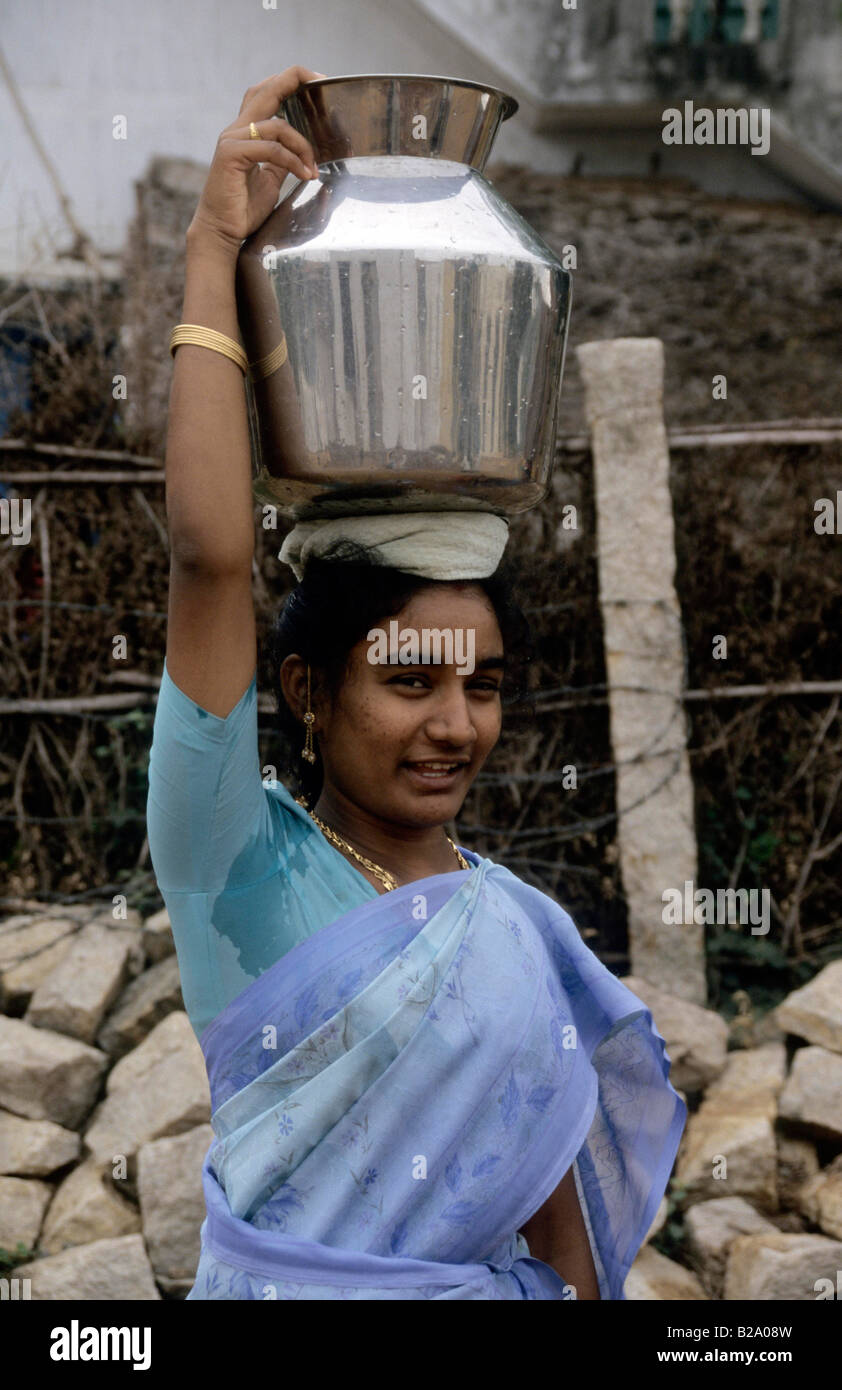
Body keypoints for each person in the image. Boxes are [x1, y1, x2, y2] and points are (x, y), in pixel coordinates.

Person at [146, 66, 686, 1301]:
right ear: (305, 686)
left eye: (483, 685)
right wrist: (213, 251)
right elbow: (211, 558)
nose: (455, 723)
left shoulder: (514, 930)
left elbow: (563, 1256)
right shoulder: (235, 868)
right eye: (407, 679)